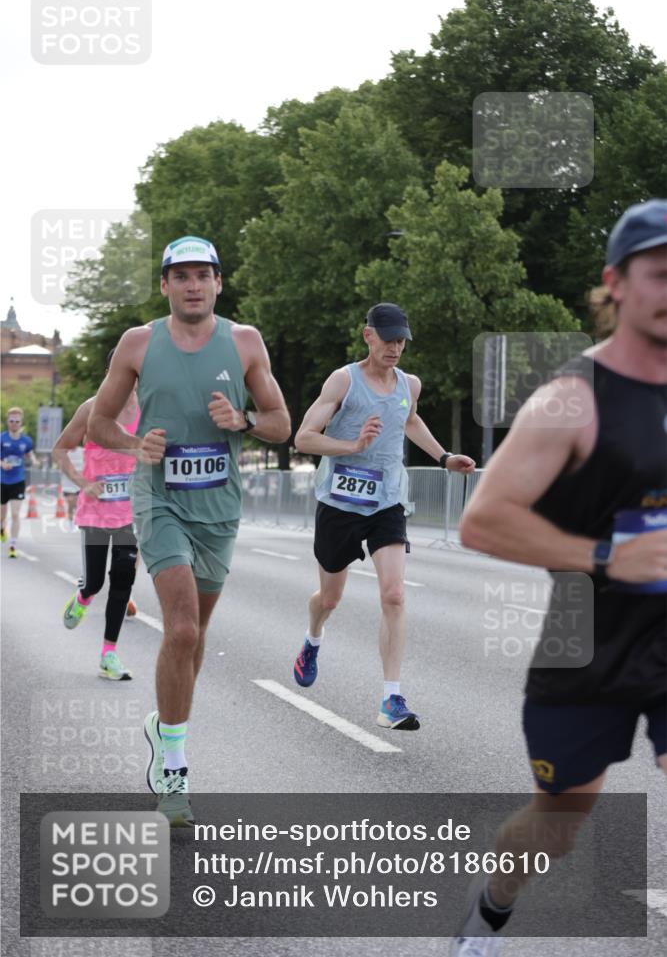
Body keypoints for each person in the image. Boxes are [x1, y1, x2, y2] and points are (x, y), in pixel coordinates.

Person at [452, 199, 667, 955]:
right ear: (615, 284)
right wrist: (606, 557)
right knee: (558, 825)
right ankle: (488, 914)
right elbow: (481, 520)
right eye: (660, 275)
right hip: (591, 642)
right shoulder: (572, 400)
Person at [87, 235, 290, 826]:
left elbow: (282, 423)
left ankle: (164, 724)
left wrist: (245, 420)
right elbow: (98, 422)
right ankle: (174, 766)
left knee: (195, 637)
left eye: (203, 275)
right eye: (181, 276)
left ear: (219, 283)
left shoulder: (245, 341)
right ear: (165, 286)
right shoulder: (138, 343)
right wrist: (133, 443)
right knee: (179, 628)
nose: (193, 285)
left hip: (219, 509)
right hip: (160, 501)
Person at [293, 303, 475, 729]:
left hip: (387, 502)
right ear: (367, 336)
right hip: (339, 503)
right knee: (330, 598)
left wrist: (444, 456)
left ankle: (391, 699)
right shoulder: (344, 380)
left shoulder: (409, 384)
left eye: (401, 340)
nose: (395, 347)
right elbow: (303, 437)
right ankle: (312, 638)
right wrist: (352, 447)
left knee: (394, 594)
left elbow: (409, 420)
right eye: (387, 338)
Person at [52, 349, 140, 681]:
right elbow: (60, 448)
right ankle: (82, 596)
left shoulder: (147, 410)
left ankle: (109, 655)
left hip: (131, 511)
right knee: (96, 581)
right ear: (109, 373)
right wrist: (82, 482)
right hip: (95, 512)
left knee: (122, 580)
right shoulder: (91, 409)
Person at [1, 407, 40, 558]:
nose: (14, 424)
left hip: (18, 480)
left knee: (16, 513)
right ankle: (1, 528)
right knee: (2, 515)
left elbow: (29, 453)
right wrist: (2, 464)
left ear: (21, 422)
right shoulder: (2, 438)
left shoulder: (26, 440)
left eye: (17, 421)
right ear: (8, 421)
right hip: (2, 480)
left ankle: (13, 544)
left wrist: (35, 460)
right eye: (11, 421)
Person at [60, 443, 84, 530]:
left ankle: (78, 521)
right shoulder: (64, 453)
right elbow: (61, 466)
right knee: (71, 503)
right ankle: (71, 522)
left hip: (80, 484)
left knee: (78, 504)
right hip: (68, 484)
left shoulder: (82, 451)